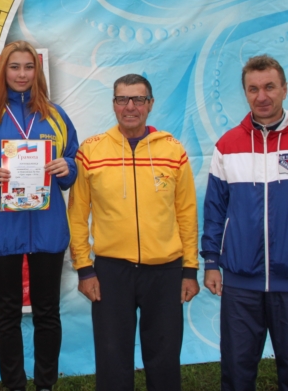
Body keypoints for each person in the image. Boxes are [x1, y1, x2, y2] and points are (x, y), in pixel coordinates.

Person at [201, 54, 288, 391]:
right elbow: (215, 210)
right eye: (253, 89)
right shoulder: (227, 146)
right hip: (241, 284)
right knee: (236, 377)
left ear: (284, 89)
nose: (261, 96)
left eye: (269, 87)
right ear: (245, 93)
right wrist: (210, 262)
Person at [0, 41, 78, 391]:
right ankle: (14, 385)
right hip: (2, 230)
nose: (22, 74)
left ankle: (45, 385)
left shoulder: (56, 116)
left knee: (47, 312)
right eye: (15, 67)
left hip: (48, 229)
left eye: (28, 67)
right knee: (7, 313)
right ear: (3, 72)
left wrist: (66, 167)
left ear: (37, 72)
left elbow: (74, 165)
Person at [68, 74, 199, 391]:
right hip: (112, 272)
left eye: (138, 99)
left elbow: (186, 213)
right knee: (112, 361)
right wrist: (84, 268)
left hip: (165, 272)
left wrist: (190, 269)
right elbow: (77, 215)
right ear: (113, 104)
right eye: (122, 99)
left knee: (164, 361)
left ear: (150, 104)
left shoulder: (173, 150)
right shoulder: (91, 151)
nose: (130, 107)